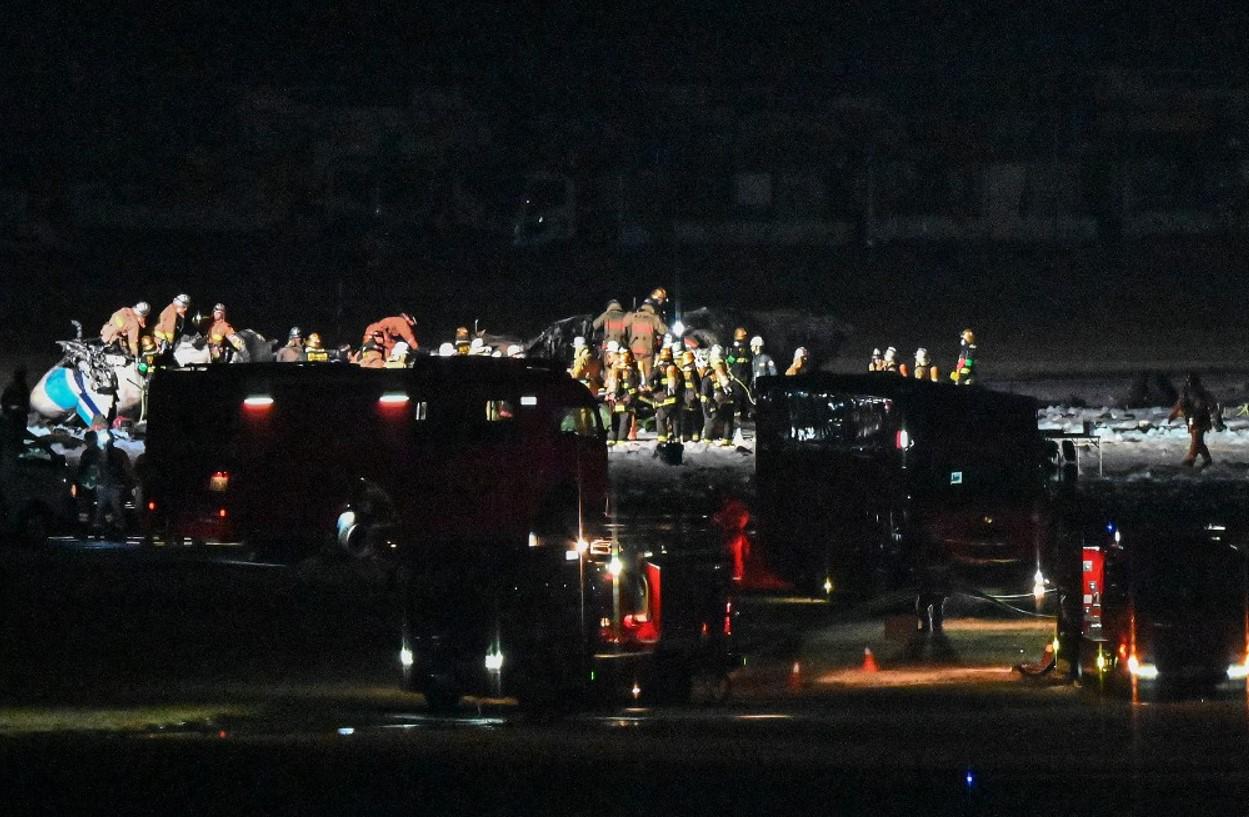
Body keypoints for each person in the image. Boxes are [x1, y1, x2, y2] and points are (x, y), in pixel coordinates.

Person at [79, 431, 131, 539]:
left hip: (109, 486)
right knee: (104, 508)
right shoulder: (100, 453)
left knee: (109, 508)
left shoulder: (106, 453)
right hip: (103, 485)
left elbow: (123, 469)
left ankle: (111, 528)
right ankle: (104, 528)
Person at [1169, 372, 1221, 467]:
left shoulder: (1199, 393)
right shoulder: (1195, 392)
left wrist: (1174, 414)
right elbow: (1181, 404)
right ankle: (1206, 459)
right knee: (1198, 439)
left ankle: (1191, 458)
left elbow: (1181, 404)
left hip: (1198, 419)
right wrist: (1174, 415)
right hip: (1196, 418)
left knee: (1196, 438)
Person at [625, 302, 667, 382]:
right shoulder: (653, 317)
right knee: (647, 370)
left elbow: (625, 323)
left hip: (635, 347)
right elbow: (663, 330)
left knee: (636, 369)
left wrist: (630, 312)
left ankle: (636, 387)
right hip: (647, 348)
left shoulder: (634, 316)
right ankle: (647, 387)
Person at [605, 350, 640, 445]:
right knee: (624, 419)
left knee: (615, 418)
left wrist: (612, 394)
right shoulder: (629, 371)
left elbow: (613, 384)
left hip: (619, 398)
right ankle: (621, 438)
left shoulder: (617, 369)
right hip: (626, 398)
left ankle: (612, 437)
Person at [701, 361, 737, 446]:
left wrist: (707, 407)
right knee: (726, 421)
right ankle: (725, 439)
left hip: (718, 404)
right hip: (722, 404)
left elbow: (705, 394)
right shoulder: (729, 377)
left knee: (711, 420)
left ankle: (709, 440)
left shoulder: (709, 378)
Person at [725, 327, 753, 423]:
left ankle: (741, 415)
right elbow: (729, 362)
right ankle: (739, 415)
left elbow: (730, 362)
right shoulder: (740, 350)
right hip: (740, 378)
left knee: (742, 397)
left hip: (742, 378)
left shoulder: (743, 351)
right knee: (740, 397)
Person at [679, 350, 702, 442]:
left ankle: (685, 434)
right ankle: (695, 434)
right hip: (693, 398)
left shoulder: (681, 373)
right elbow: (696, 385)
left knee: (685, 417)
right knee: (695, 417)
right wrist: (698, 394)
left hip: (685, 398)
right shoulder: (694, 373)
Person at [2, 366, 30, 437]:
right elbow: (4, 402)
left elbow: (26, 405)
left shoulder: (24, 388)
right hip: (12, 418)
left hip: (19, 418)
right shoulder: (11, 387)